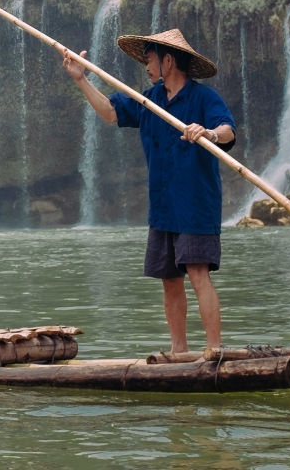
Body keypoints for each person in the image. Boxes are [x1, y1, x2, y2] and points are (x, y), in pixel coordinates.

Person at [64, 28, 237, 357]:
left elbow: (227, 130)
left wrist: (209, 133)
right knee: (169, 279)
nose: (146, 65)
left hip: (195, 204)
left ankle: (214, 349)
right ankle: (179, 350)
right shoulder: (150, 99)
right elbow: (111, 112)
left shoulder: (203, 99)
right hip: (163, 206)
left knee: (198, 273)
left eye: (150, 59)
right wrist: (81, 80)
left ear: (168, 60)